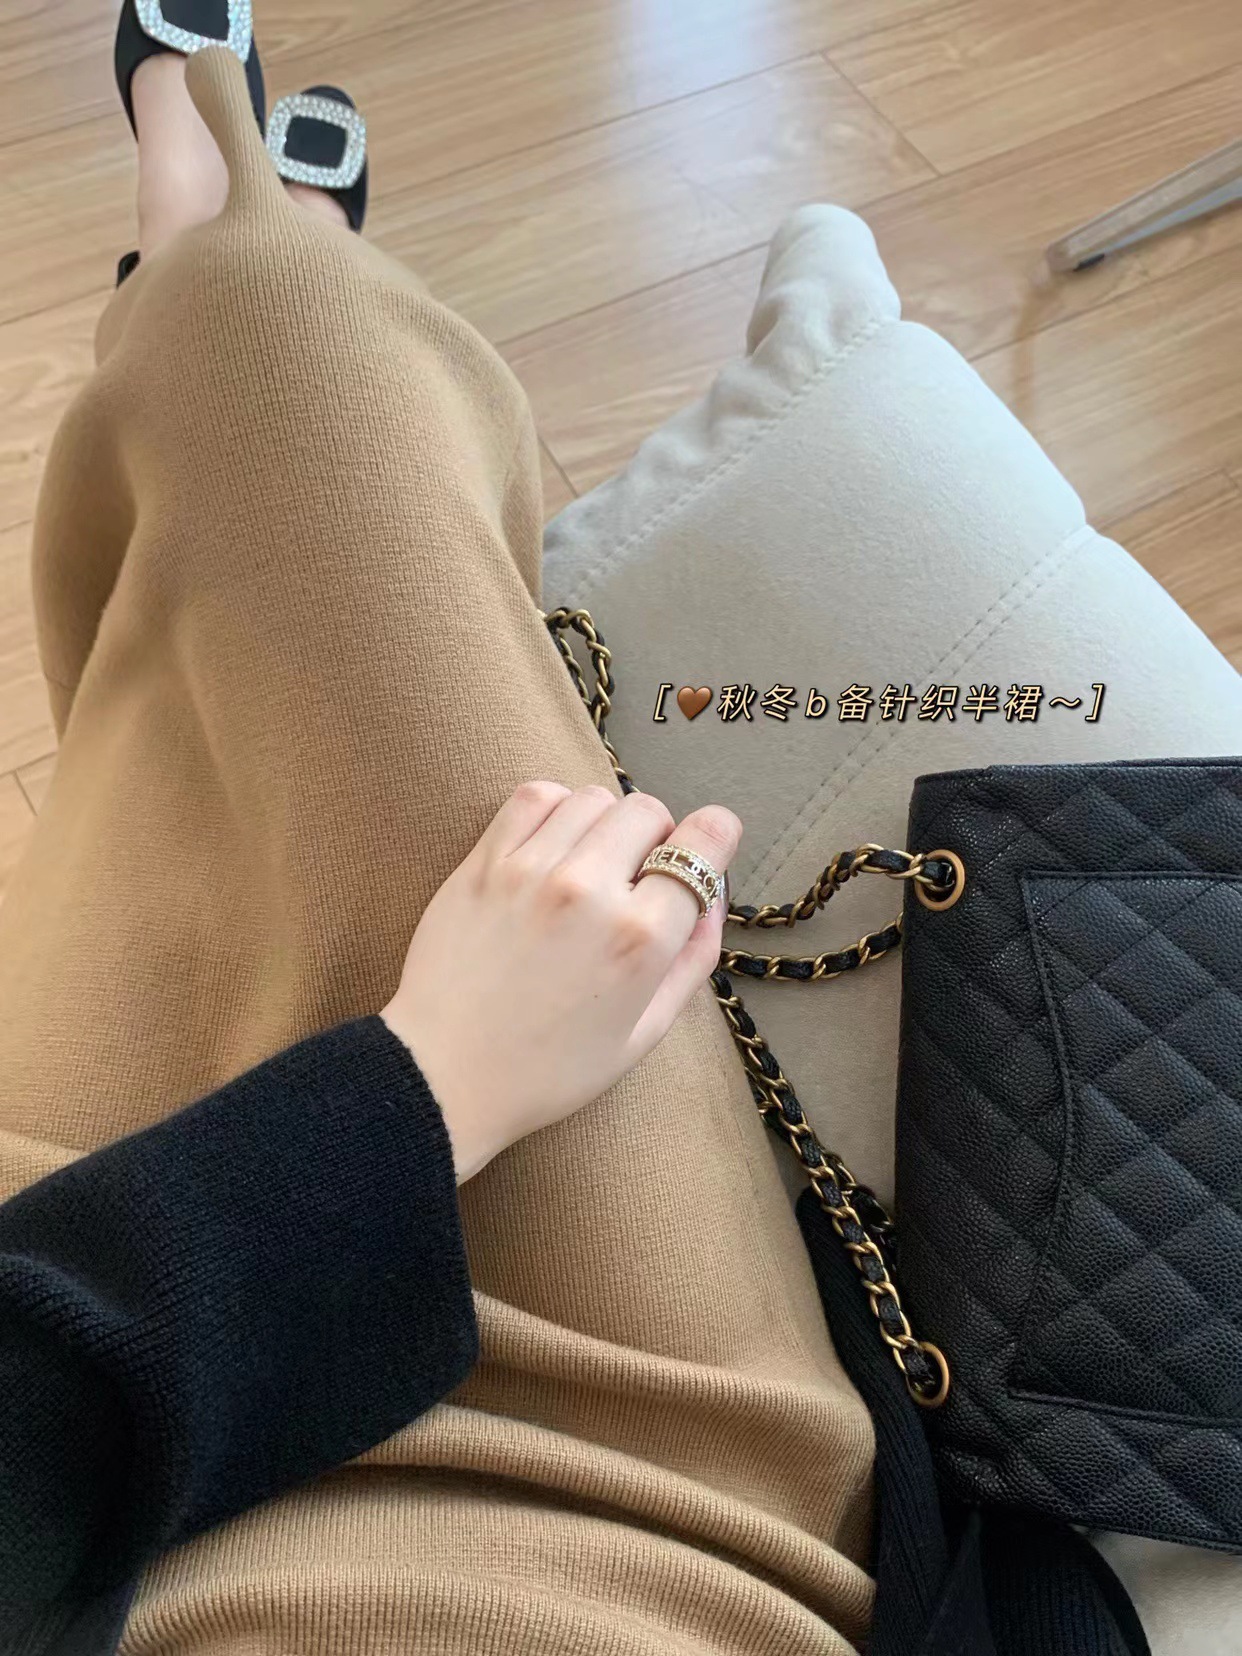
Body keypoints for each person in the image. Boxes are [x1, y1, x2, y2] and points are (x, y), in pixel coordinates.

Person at [0, 12, 877, 1655]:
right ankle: (221, 259)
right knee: (294, 369)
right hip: (629, 1502)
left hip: (64, 1366)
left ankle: (198, 251)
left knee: (271, 385)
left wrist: (425, 1088)